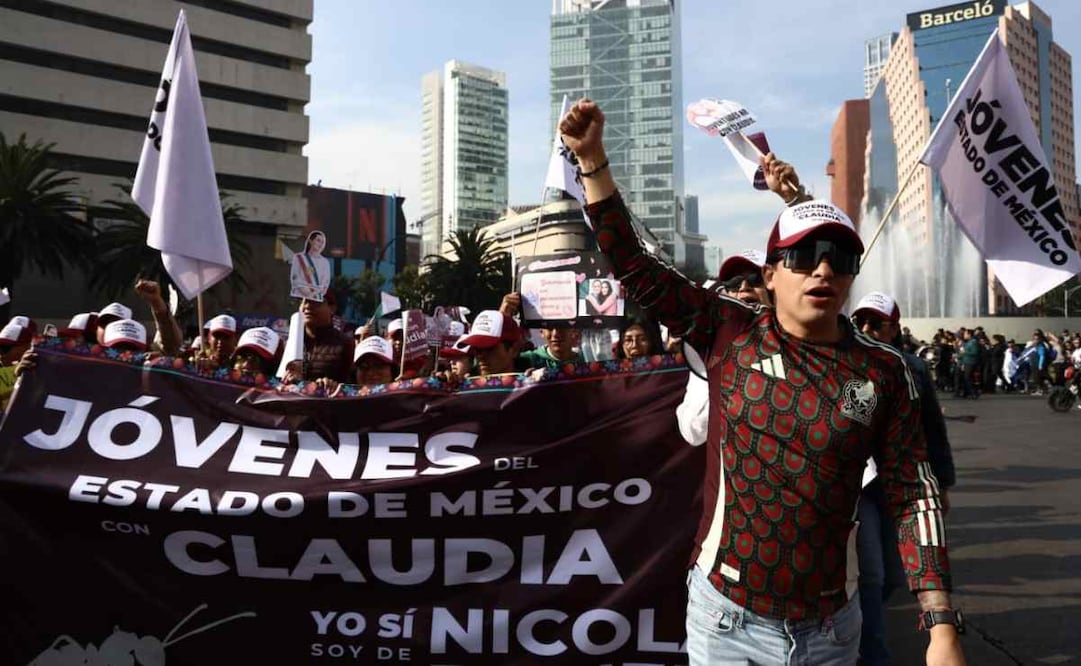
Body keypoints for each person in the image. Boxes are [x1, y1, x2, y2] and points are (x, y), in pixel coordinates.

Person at [559, 98, 963, 665]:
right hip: (725, 620)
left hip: (831, 628)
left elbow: (913, 491)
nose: (823, 269)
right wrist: (594, 163)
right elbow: (633, 264)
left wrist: (941, 625)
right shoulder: (727, 331)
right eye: (804, 257)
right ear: (770, 276)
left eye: (840, 258)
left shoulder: (884, 371)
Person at [851, 292, 957, 666]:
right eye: (860, 322)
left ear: (894, 328)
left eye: (876, 323)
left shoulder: (913, 368)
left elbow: (932, 430)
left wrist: (942, 483)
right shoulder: (845, 363)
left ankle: (859, 631)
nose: (866, 330)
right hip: (859, 486)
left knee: (896, 576)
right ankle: (872, 653)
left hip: (901, 486)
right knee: (872, 574)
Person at [677, 250, 772, 447]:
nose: (744, 288)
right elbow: (692, 432)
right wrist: (722, 380)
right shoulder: (711, 353)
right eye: (734, 283)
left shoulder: (800, 343)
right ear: (726, 294)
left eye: (755, 279)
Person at [288, 288, 353, 383]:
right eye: (304, 301)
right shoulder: (291, 342)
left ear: (332, 308)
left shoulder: (345, 343)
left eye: (315, 301)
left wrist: (330, 386)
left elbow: (352, 384)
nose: (307, 306)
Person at [454, 310, 521, 376]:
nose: (480, 356)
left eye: (489, 348)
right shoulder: (463, 384)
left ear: (514, 350)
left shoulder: (529, 383)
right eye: (476, 349)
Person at [290, 230, 332, 300]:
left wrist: (313, 294)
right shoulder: (299, 258)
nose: (321, 244)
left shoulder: (325, 262)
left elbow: (325, 284)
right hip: (299, 297)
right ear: (310, 241)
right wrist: (307, 294)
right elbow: (295, 278)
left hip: (316, 300)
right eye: (318, 240)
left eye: (323, 242)